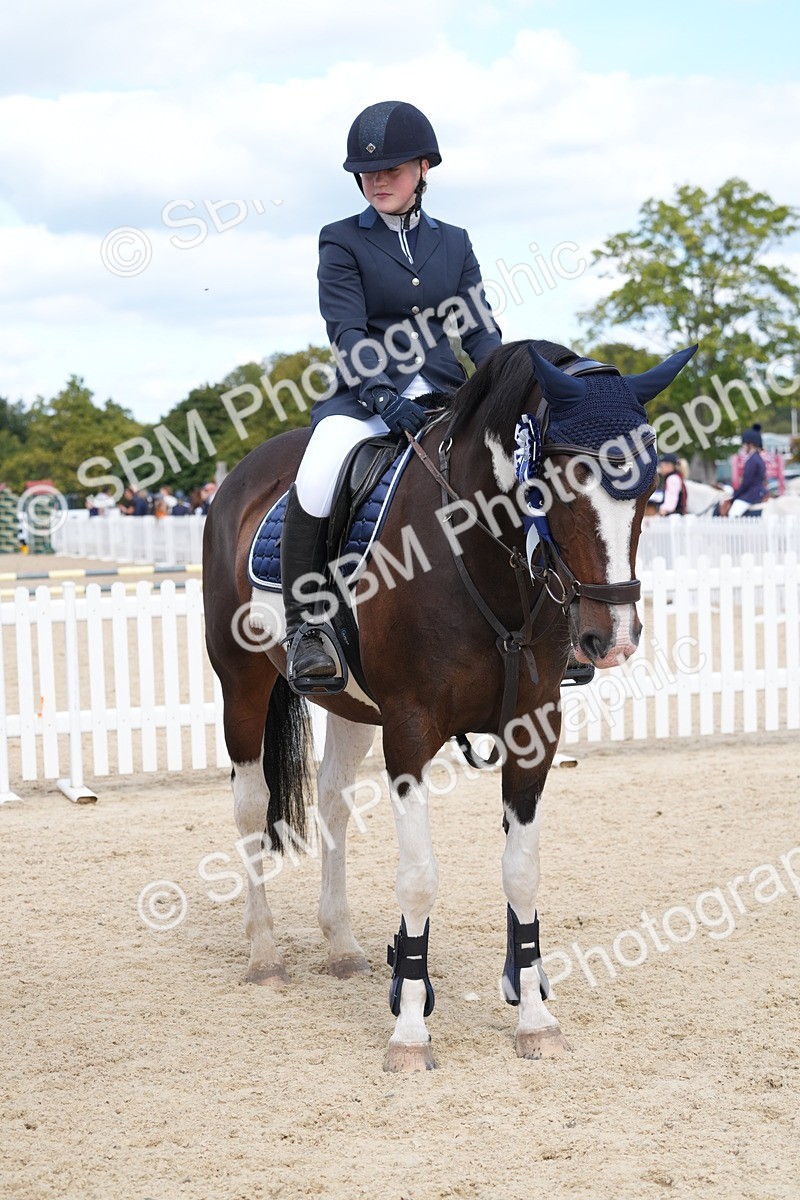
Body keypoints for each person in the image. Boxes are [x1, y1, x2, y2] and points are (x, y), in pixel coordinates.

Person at [281, 100, 502, 689]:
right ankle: (307, 627)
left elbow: (477, 328)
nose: (378, 180)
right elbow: (347, 331)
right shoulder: (340, 240)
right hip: (364, 399)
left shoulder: (454, 243)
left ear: (424, 168)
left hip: (446, 394)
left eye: (394, 169)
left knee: (515, 461)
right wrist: (379, 395)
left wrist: (504, 382)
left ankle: (547, 611)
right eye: (369, 172)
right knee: (319, 471)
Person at [718, 426, 768, 517]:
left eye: (744, 445)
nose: (743, 447)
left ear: (750, 444)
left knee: (733, 513)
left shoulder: (752, 460)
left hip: (752, 494)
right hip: (758, 492)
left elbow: (746, 482)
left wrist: (736, 494)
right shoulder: (757, 458)